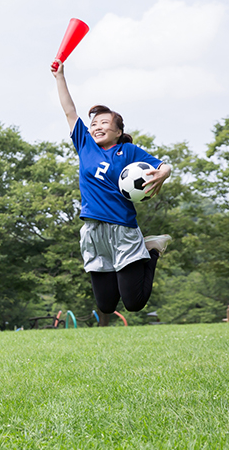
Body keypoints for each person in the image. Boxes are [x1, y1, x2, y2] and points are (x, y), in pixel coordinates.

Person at [51, 60, 172, 315]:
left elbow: (162, 165)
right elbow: (69, 111)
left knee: (134, 303)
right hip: (93, 232)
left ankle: (150, 251)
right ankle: (138, 256)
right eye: (94, 123)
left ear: (118, 131)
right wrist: (59, 76)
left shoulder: (127, 151)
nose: (97, 126)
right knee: (106, 306)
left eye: (104, 123)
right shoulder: (85, 146)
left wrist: (164, 173)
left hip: (122, 229)